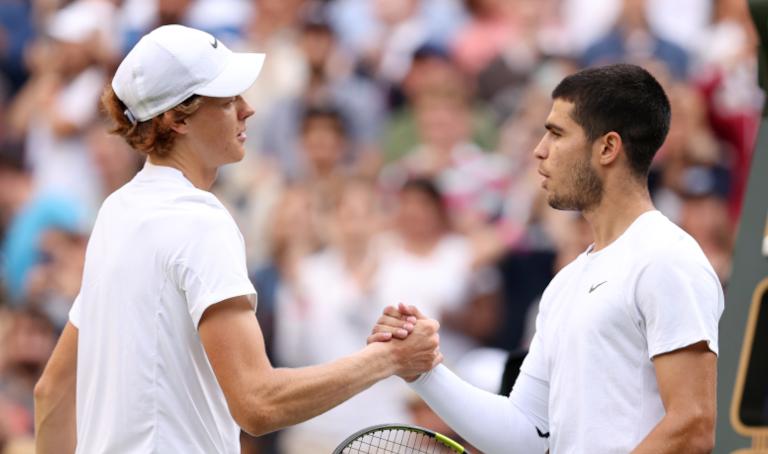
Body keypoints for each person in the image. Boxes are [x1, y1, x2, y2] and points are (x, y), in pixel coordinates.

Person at [32, 24, 442, 454]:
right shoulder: (200, 221)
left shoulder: (116, 212)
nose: (248, 109)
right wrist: (390, 358)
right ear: (177, 119)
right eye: (227, 100)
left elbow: (52, 390)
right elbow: (257, 403)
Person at [371, 63, 724, 453]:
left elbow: (693, 424)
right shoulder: (565, 283)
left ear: (607, 147)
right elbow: (523, 433)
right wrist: (423, 372)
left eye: (556, 134)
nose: (539, 150)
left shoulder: (666, 257)